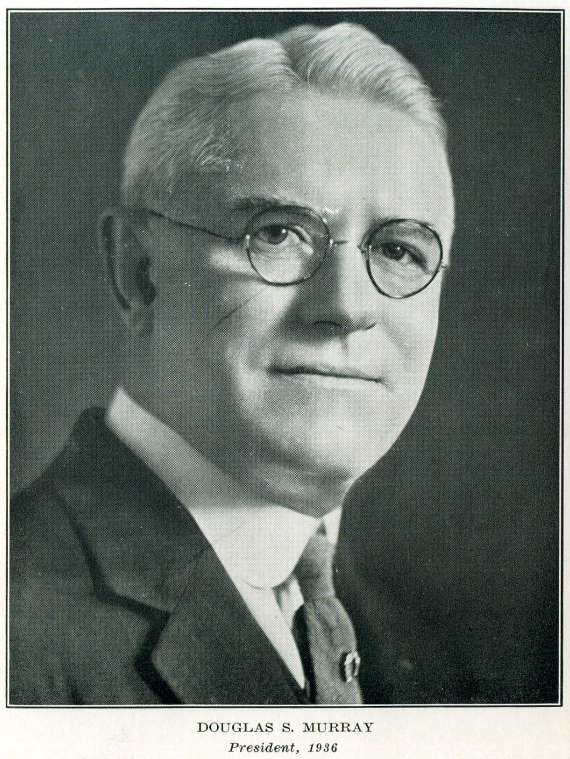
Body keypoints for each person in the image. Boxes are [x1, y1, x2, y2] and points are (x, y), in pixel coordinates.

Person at [9, 22, 454, 704]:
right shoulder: (17, 631)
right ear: (140, 270)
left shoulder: (426, 656)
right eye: (278, 233)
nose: (347, 307)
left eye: (399, 250)